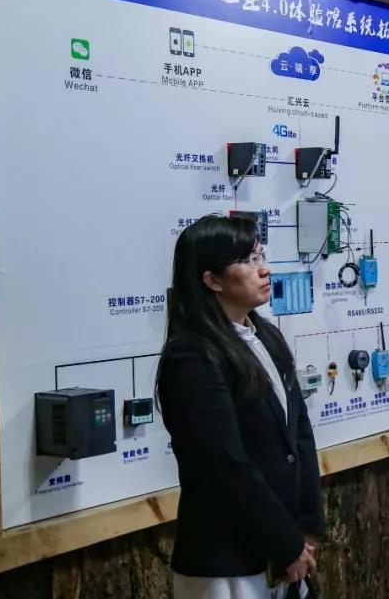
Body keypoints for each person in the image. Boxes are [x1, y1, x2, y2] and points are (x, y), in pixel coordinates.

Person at [156, 215, 323, 599]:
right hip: (228, 561)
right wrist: (285, 543)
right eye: (247, 260)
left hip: (284, 552)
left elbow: (299, 434)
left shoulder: (266, 336)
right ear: (212, 280)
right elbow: (223, 464)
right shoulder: (193, 355)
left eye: (260, 256)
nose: (264, 269)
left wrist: (307, 528)